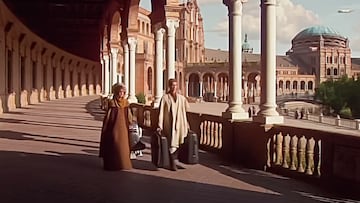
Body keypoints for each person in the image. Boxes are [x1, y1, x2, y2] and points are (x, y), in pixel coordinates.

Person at [157, 78, 190, 171]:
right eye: (172, 85)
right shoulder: (165, 98)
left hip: (180, 124)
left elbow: (187, 110)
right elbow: (161, 112)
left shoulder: (182, 98)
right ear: (169, 86)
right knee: (171, 143)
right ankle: (172, 163)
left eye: (175, 85)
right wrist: (160, 125)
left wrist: (187, 123)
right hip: (169, 125)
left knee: (179, 143)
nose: (174, 87)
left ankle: (175, 161)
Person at [99, 83, 132, 171]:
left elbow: (129, 115)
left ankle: (123, 164)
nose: (121, 94)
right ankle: (112, 164)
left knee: (123, 146)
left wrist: (131, 122)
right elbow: (109, 116)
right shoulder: (112, 102)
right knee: (113, 144)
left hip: (124, 127)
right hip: (113, 126)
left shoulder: (126, 103)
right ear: (116, 92)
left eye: (123, 92)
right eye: (120, 92)